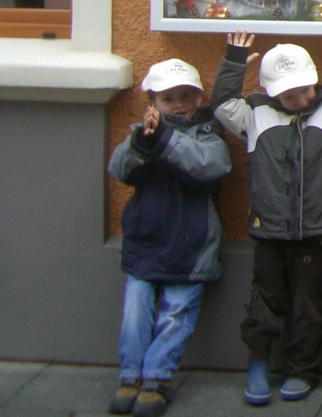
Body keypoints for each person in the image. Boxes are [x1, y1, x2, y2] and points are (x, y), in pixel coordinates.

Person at [211, 32, 322, 406]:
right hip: (269, 230)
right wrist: (235, 60)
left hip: (319, 231)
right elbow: (223, 105)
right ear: (272, 94)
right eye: (289, 95)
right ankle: (258, 363)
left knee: (309, 304)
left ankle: (303, 368)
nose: (301, 100)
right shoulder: (255, 113)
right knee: (264, 301)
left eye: (305, 90)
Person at [107, 59, 231, 417]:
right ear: (152, 103)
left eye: (184, 96)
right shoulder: (142, 133)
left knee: (176, 312)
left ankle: (157, 378)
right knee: (136, 309)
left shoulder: (208, 132)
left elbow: (211, 166)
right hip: (146, 239)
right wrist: (143, 144)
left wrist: (166, 138)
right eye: (167, 98)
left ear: (197, 98)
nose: (177, 104)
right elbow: (119, 170)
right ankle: (130, 375)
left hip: (192, 244)